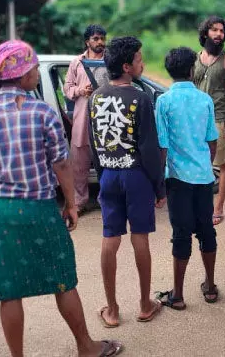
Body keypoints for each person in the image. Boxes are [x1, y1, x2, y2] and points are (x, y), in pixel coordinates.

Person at [0, 40, 122, 357]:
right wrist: (72, 204)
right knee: (62, 279)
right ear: (23, 75)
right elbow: (61, 164)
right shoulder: (42, 113)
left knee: (9, 292)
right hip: (40, 209)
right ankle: (86, 348)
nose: (36, 72)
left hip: (0, 213)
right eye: (34, 68)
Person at [89, 36, 165, 328]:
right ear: (126, 66)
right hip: (136, 176)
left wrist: (103, 175)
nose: (142, 63)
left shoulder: (96, 97)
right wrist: (158, 187)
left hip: (108, 175)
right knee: (140, 237)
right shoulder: (140, 98)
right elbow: (149, 149)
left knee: (110, 238)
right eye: (139, 59)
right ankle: (145, 305)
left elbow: (95, 143)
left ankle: (112, 309)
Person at [154, 47, 221, 310]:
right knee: (206, 230)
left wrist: (159, 182)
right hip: (203, 177)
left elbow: (162, 145)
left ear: (170, 72)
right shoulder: (205, 100)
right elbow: (212, 140)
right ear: (193, 70)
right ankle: (210, 286)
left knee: (181, 234)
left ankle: (178, 295)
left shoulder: (164, 101)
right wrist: (205, 163)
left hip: (177, 178)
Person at [192, 16, 225, 226]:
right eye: (214, 30)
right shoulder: (195, 58)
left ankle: (218, 208)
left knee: (223, 164)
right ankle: (199, 206)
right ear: (205, 33)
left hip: (219, 117)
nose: (219, 34)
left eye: (222, 31)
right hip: (195, 119)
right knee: (198, 162)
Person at [64, 24, 108, 212]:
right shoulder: (77, 62)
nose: (100, 42)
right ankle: (79, 202)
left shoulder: (110, 61)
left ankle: (106, 201)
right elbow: (67, 88)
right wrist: (81, 91)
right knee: (79, 165)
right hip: (82, 119)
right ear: (87, 41)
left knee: (106, 162)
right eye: (96, 39)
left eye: (102, 38)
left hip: (105, 119)